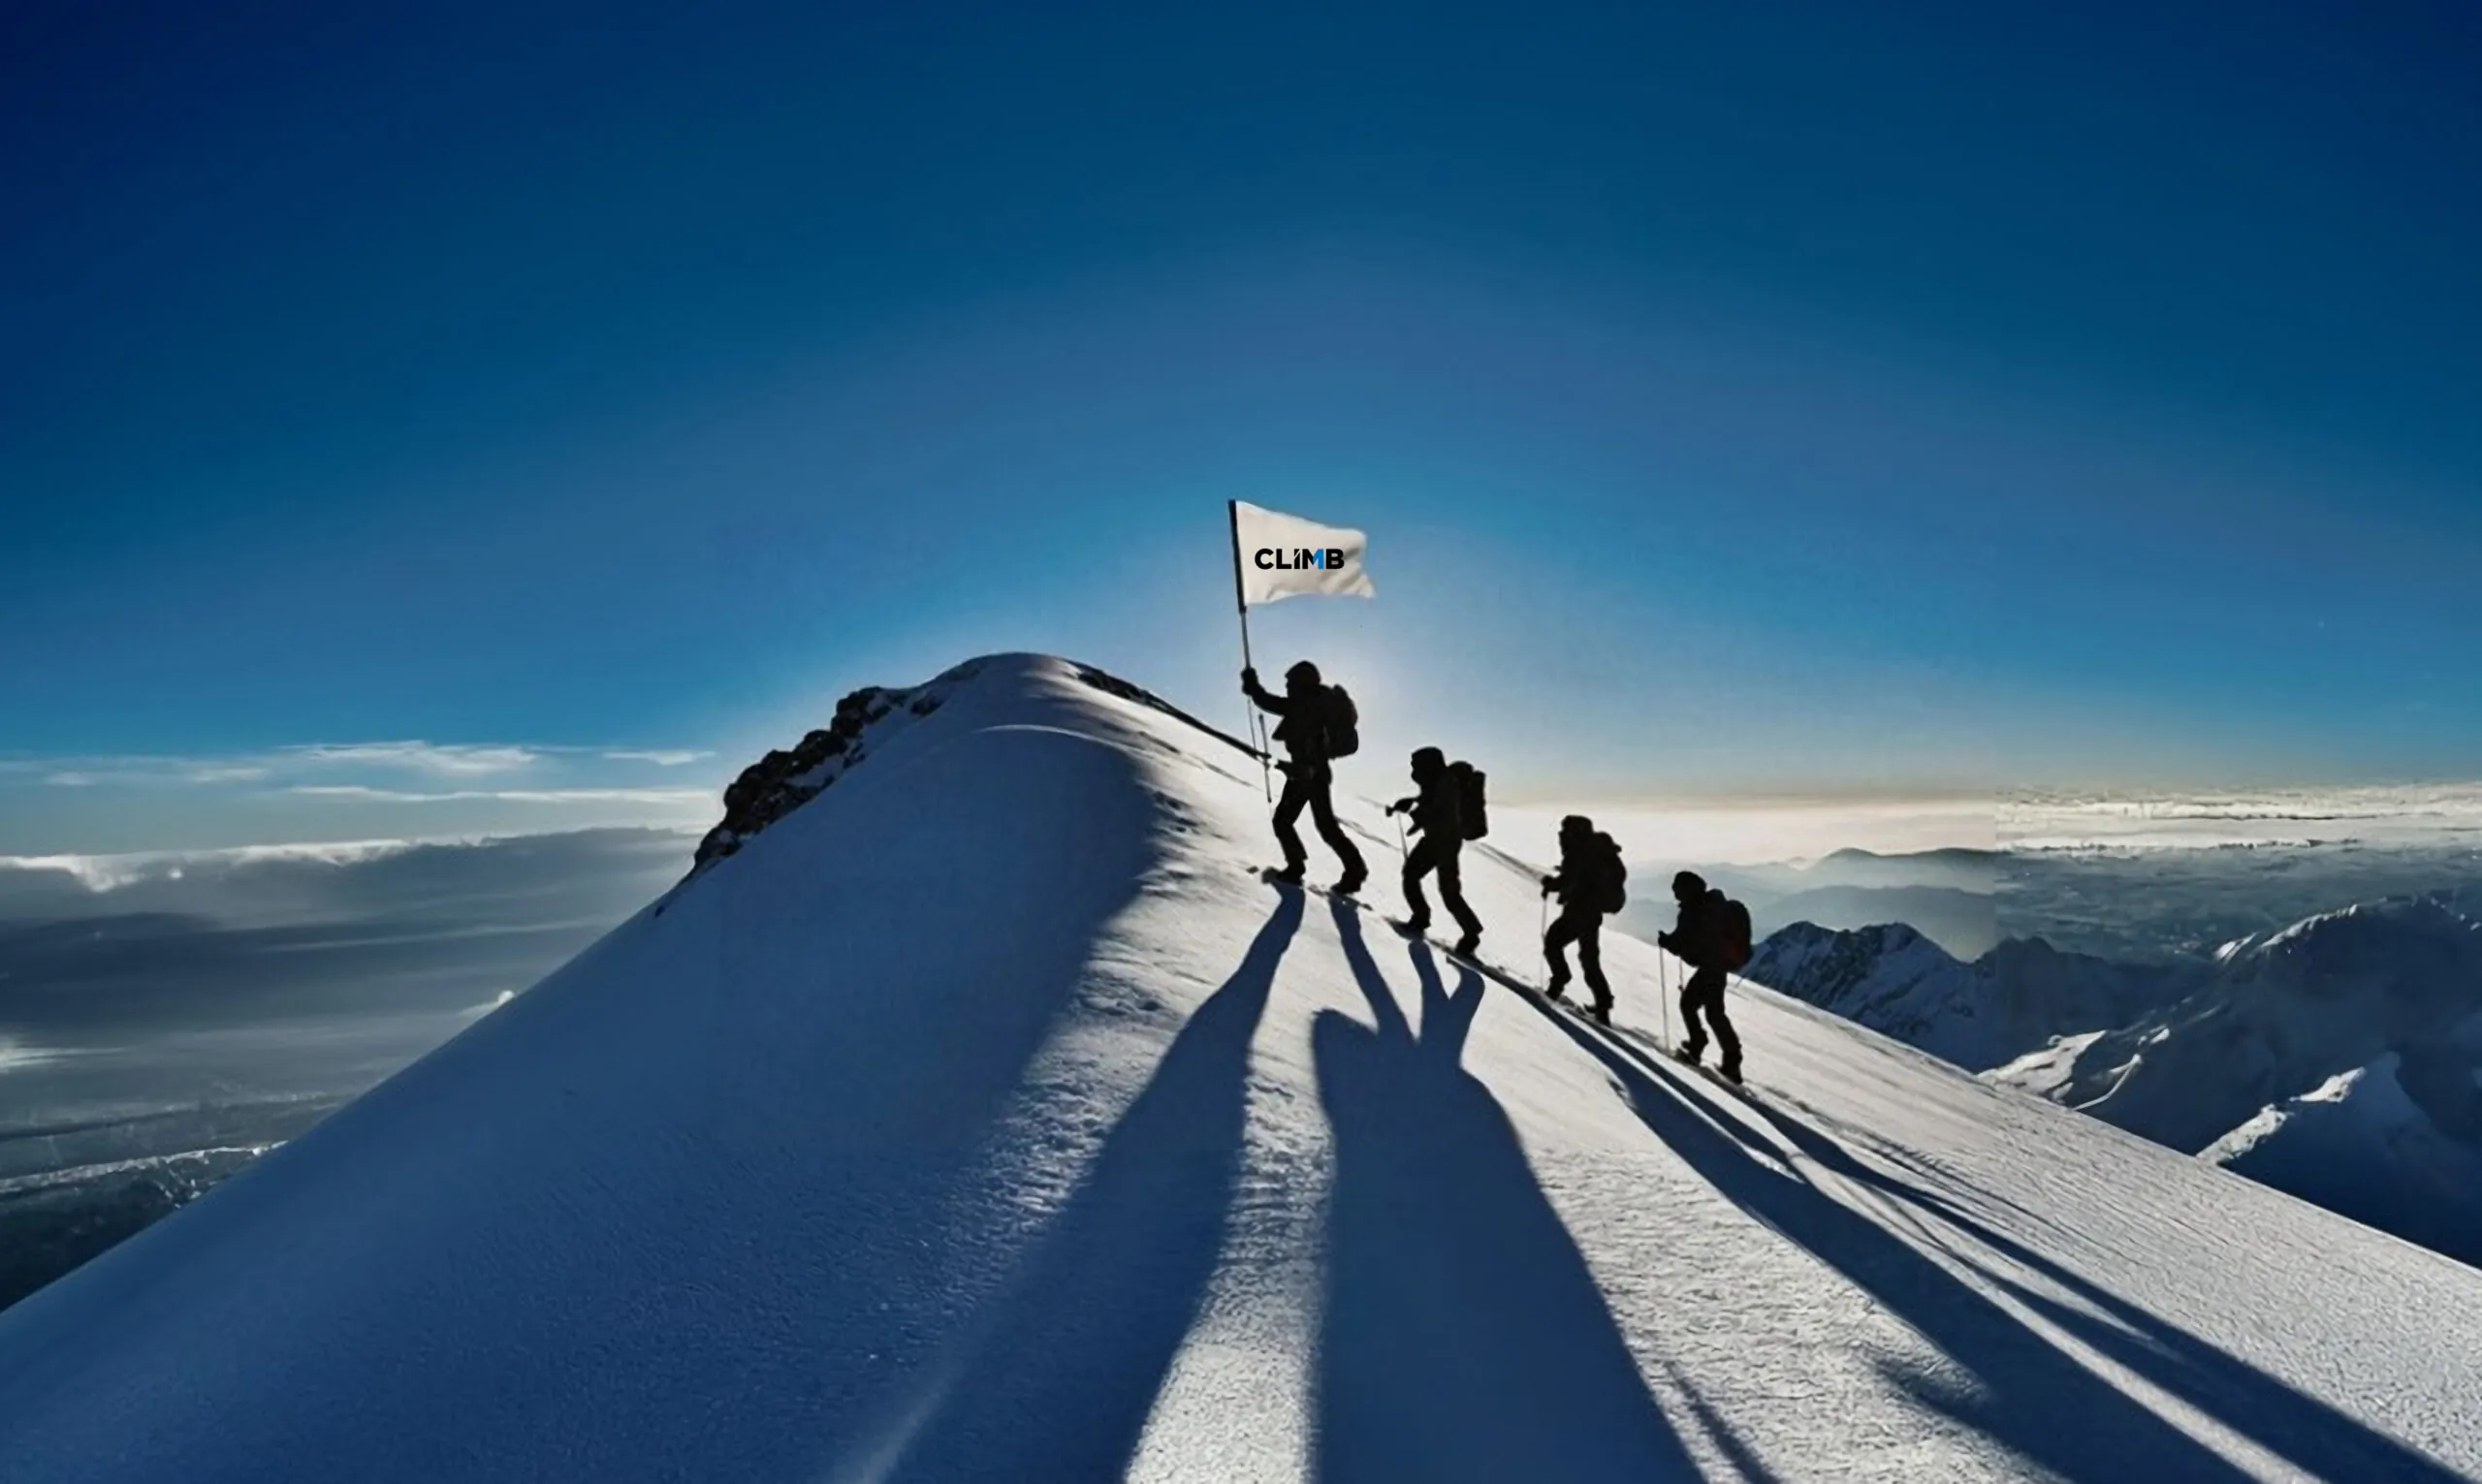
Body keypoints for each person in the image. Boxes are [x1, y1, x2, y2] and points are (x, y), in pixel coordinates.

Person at [1242, 660, 1367, 895]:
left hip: (1310, 772)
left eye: (1290, 683)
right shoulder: (1313, 702)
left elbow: (1271, 702)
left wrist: (1253, 685)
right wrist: (1253, 687)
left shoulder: (1307, 704)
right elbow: (1271, 702)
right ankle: (1349, 869)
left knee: (1290, 821)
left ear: (1302, 683)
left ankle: (1304, 867)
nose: (1288, 687)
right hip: (1307, 771)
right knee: (1318, 825)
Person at [1386, 746, 1482, 957]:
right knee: (1437, 886)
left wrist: (1414, 812)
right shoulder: (1440, 781)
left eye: (1416, 766)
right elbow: (1431, 803)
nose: (1414, 771)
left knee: (1426, 882)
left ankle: (1430, 921)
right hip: (1442, 841)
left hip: (1442, 842)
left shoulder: (1445, 784)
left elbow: (1437, 812)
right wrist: (1412, 804)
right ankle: (1467, 931)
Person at [1658, 870, 1745, 1084]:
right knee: (1711, 1011)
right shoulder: (1713, 905)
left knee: (1696, 1007)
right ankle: (1728, 1058)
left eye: (1677, 888)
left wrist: (1666, 941)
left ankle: (1703, 1048)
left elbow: (1680, 942)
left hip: (1709, 967)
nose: (1675, 893)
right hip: (1718, 966)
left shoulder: (1692, 910)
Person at [1540, 814, 1623, 1025]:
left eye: (1565, 830)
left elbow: (1569, 879)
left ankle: (1559, 981)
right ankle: (1603, 1004)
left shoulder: (1578, 852)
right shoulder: (1596, 852)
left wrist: (1550, 884)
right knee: (1589, 959)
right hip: (1592, 913)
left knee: (1553, 943)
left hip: (1578, 910)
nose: (1561, 835)